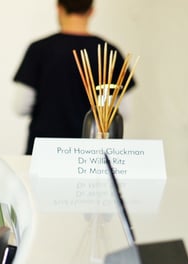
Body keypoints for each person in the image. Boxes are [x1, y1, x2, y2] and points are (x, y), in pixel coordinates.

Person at [13, 0, 135, 154]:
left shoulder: (38, 50)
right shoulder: (109, 52)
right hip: (90, 156)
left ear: (58, 7)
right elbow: (124, 111)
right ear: (91, 11)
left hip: (45, 153)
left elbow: (20, 106)